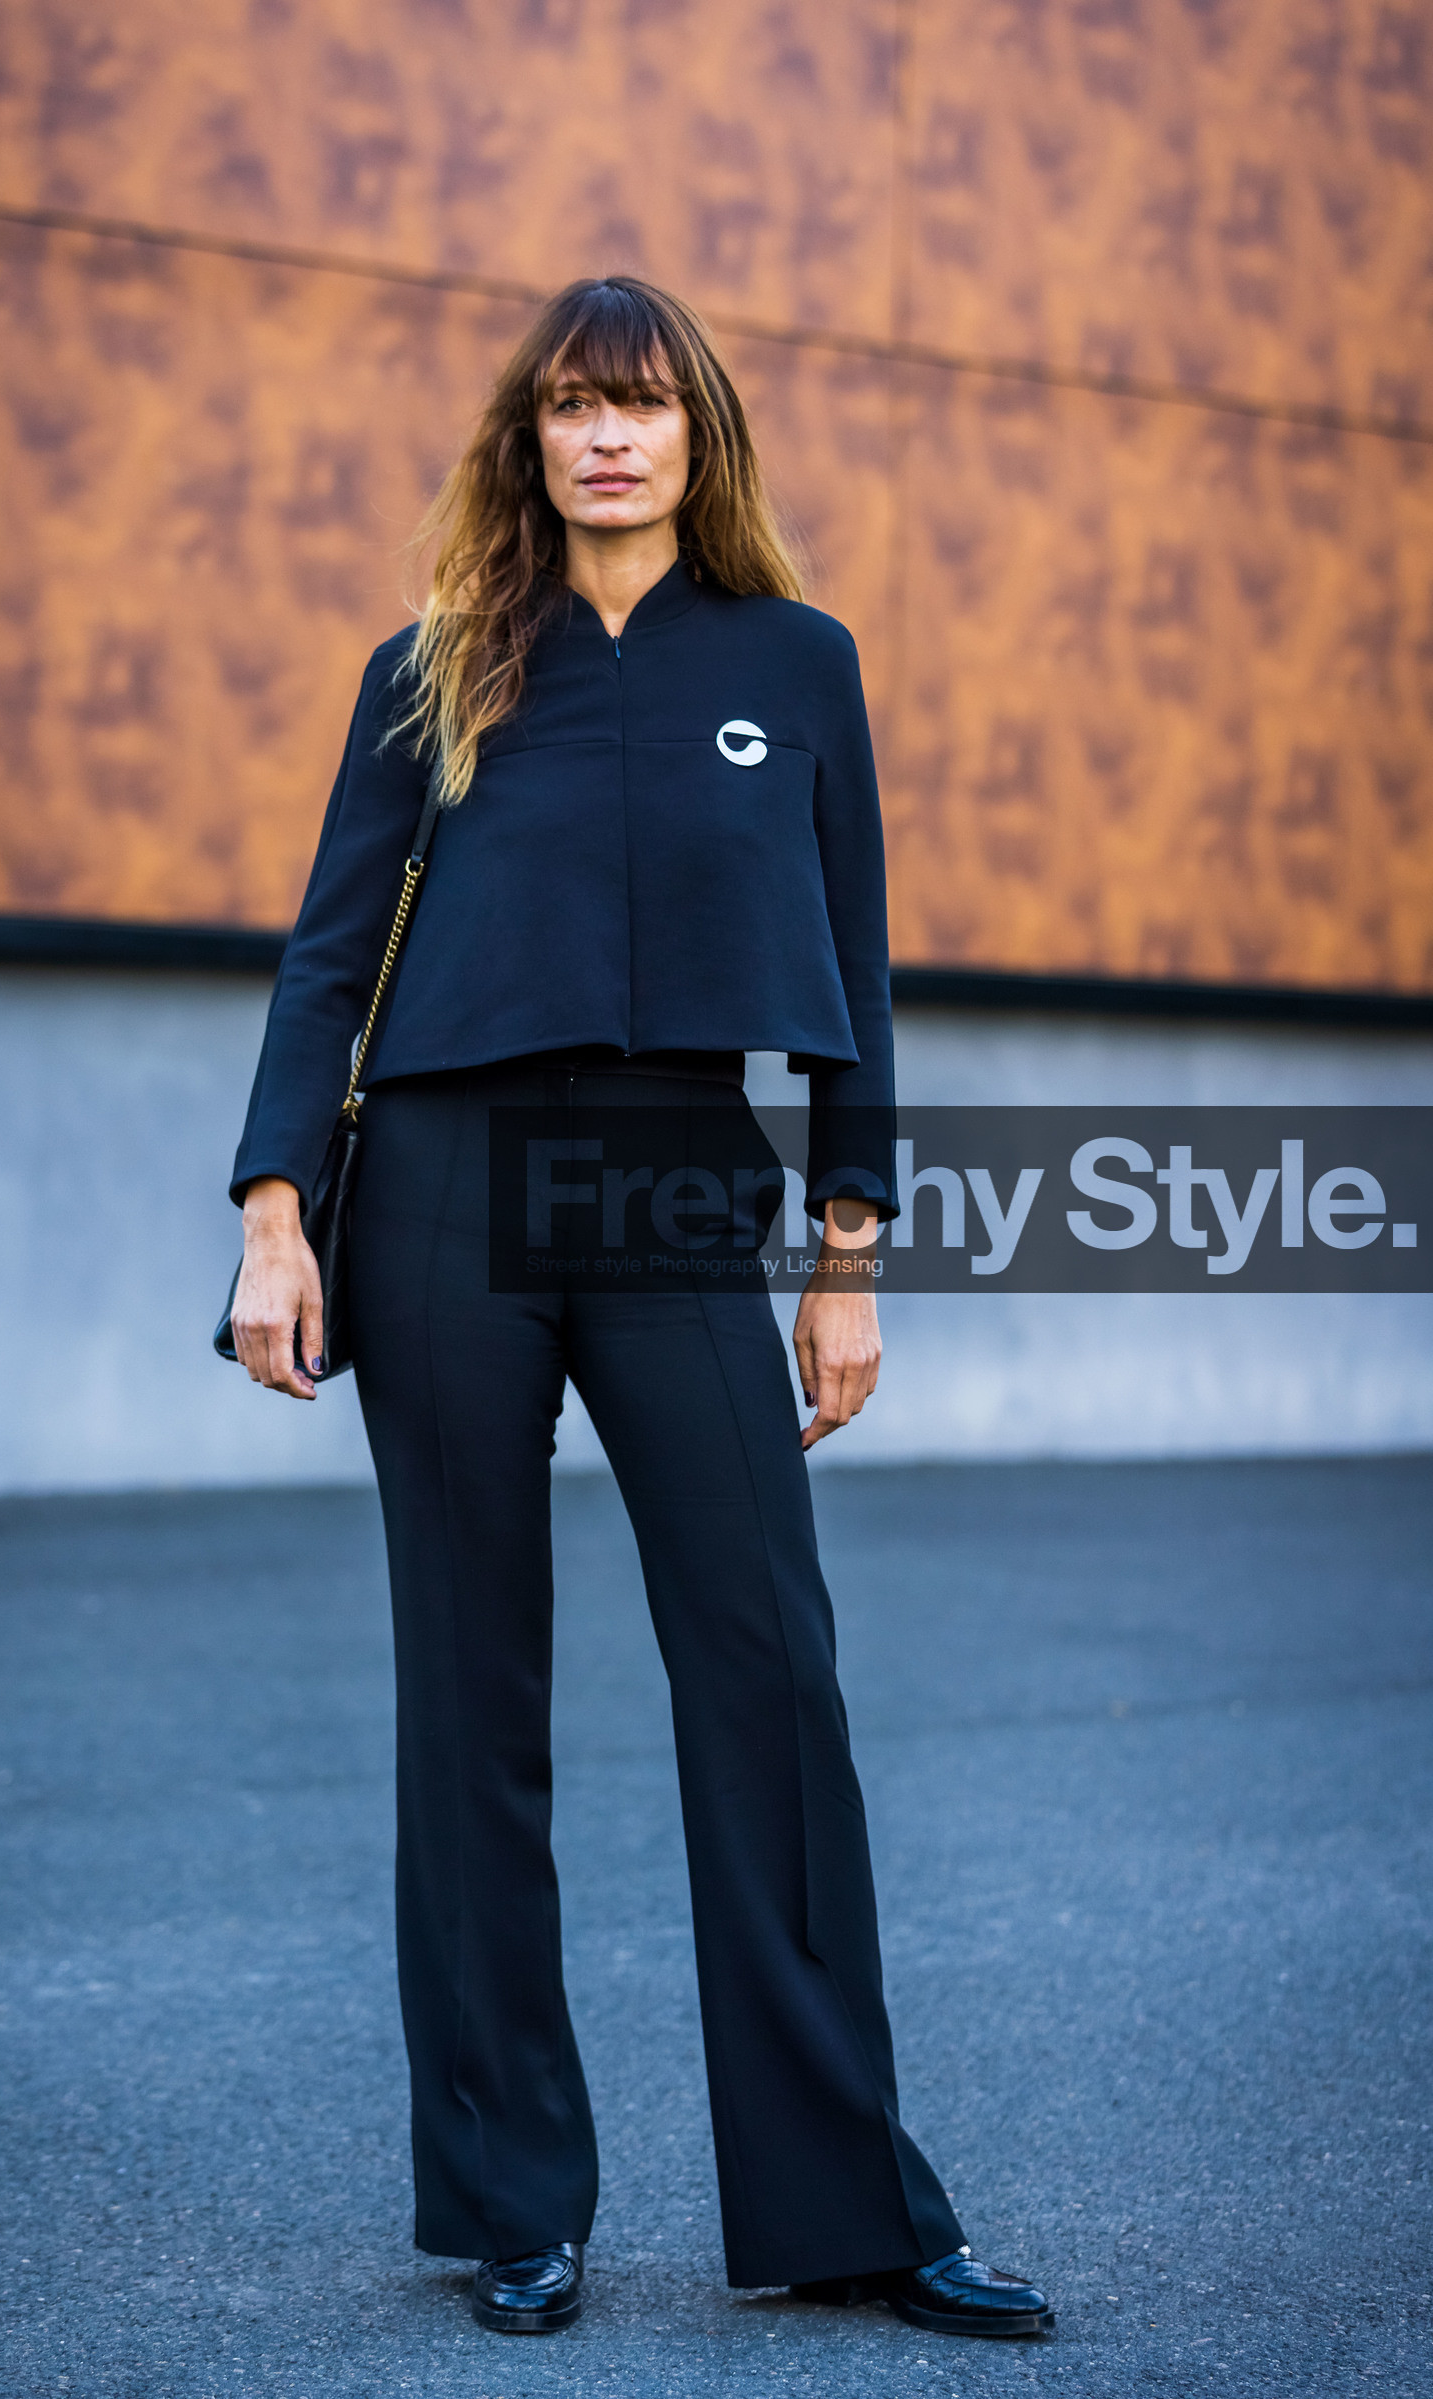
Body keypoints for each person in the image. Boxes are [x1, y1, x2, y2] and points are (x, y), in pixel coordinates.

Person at [227, 276, 1053, 2342]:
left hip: (682, 1169)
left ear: (699, 438)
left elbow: (852, 987)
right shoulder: (429, 669)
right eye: (573, 408)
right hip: (434, 1182)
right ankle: (515, 2196)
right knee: (469, 1693)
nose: (607, 438)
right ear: (528, 439)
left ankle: (848, 2201)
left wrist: (844, 1259)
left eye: (643, 405)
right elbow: (327, 961)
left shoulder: (797, 662)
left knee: (767, 1675)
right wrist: (269, 1215)